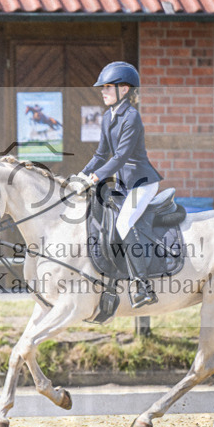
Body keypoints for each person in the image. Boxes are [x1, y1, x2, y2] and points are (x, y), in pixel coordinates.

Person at [73, 61, 165, 308]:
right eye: (102, 87)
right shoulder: (107, 117)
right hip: (125, 184)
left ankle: (143, 287)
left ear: (124, 89)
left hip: (142, 183)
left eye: (107, 87)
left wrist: (94, 178)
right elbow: (101, 154)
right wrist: (81, 174)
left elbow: (121, 157)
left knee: (124, 223)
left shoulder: (132, 117)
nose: (103, 91)